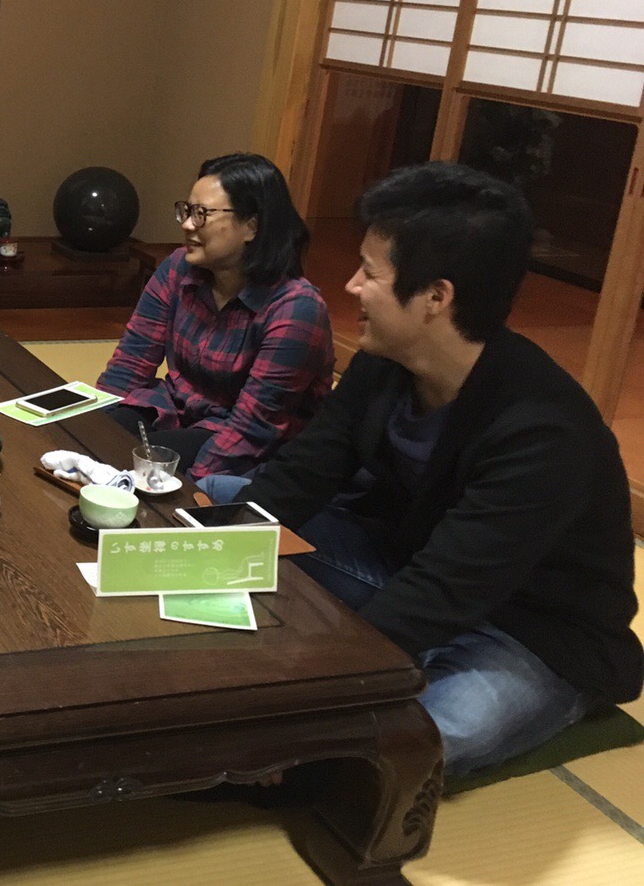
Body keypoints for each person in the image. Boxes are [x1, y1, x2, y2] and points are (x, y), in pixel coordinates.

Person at [233, 162, 642, 775]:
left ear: (435, 297)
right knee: (221, 501)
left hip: (529, 631)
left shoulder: (544, 431)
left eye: (369, 273)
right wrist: (200, 558)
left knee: (416, 742)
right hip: (406, 567)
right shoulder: (389, 359)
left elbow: (446, 590)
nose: (349, 286)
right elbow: (300, 475)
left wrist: (314, 685)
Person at [96, 153, 334, 479]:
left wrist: (184, 489)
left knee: (135, 464)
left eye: (202, 214)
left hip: (239, 436)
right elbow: (129, 366)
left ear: (252, 225)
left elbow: (251, 430)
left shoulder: (296, 309)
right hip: (173, 408)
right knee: (98, 438)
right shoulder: (179, 267)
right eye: (187, 210)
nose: (186, 224)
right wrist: (89, 427)